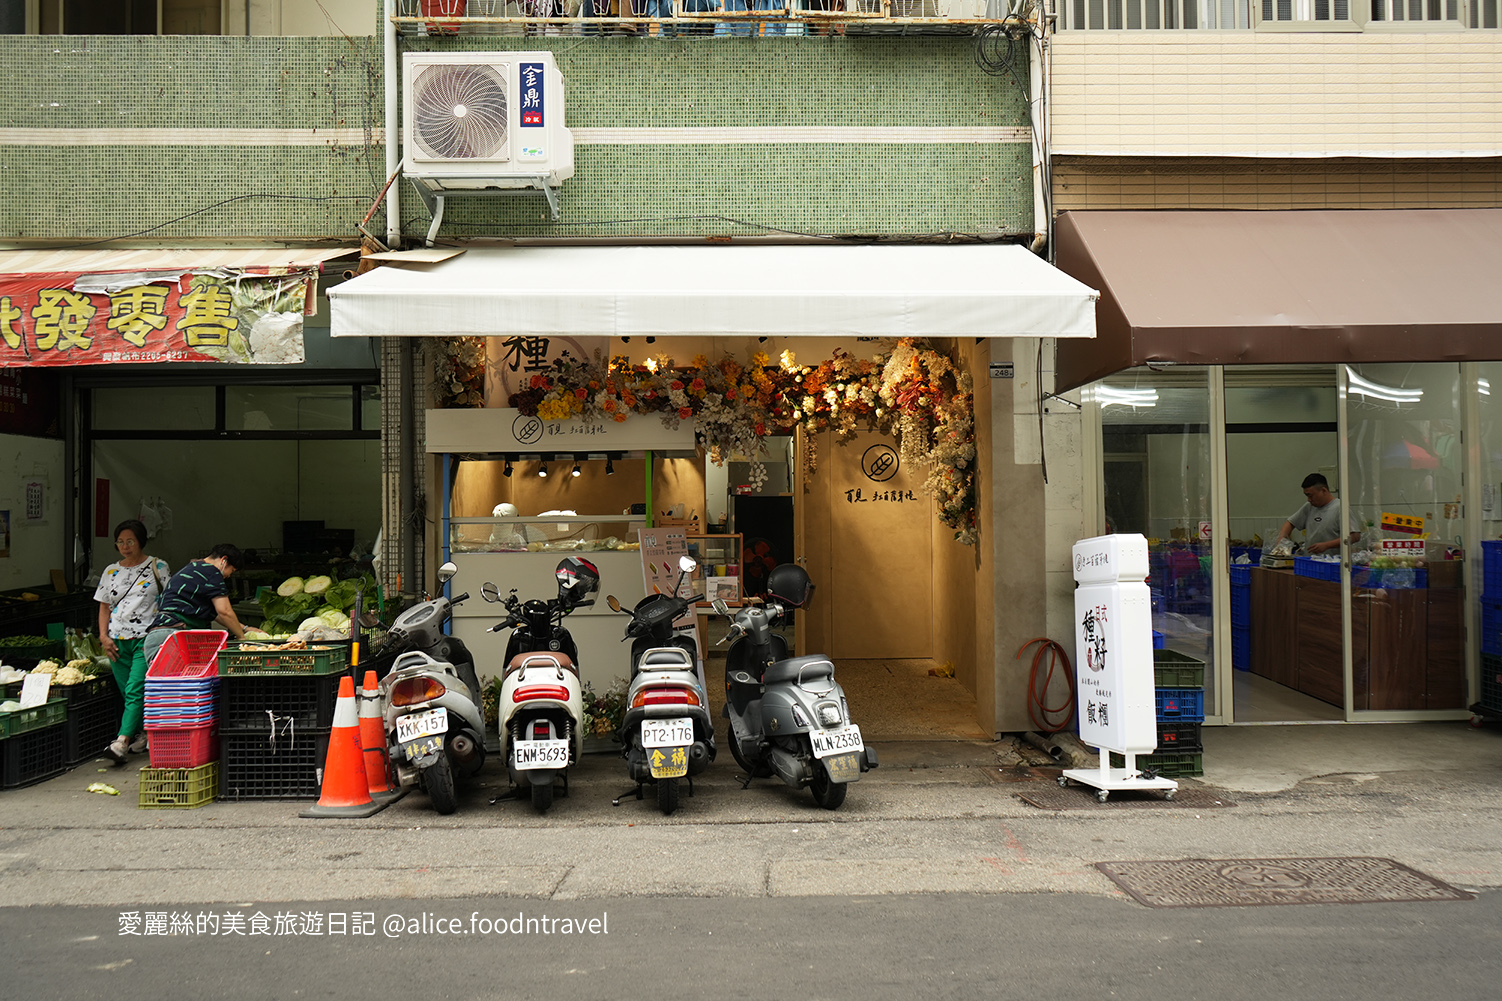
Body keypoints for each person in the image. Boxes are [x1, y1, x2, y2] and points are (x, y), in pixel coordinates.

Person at [114, 544, 248, 764]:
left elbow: (216, 615)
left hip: (157, 638)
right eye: (230, 571)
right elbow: (224, 610)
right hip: (176, 641)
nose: (226, 577)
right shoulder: (211, 572)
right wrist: (243, 640)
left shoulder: (190, 570)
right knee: (184, 705)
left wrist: (243, 629)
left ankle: (160, 749)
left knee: (167, 701)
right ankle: (181, 758)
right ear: (223, 560)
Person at [94, 520, 171, 763]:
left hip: (145, 639)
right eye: (120, 542)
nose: (125, 547)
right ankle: (146, 734)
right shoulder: (110, 571)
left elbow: (168, 600)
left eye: (130, 541)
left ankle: (121, 742)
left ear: (140, 542)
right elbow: (104, 607)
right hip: (117, 640)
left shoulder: (158, 566)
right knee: (128, 692)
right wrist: (103, 636)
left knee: (135, 688)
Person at [1275, 473, 1357, 556]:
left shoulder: (1340, 508)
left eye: (1310, 495)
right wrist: (1281, 541)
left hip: (1333, 563)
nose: (1309, 499)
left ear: (1324, 491)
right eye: (1307, 496)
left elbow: (1355, 536)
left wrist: (1327, 545)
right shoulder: (1309, 507)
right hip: (1310, 561)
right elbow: (1290, 523)